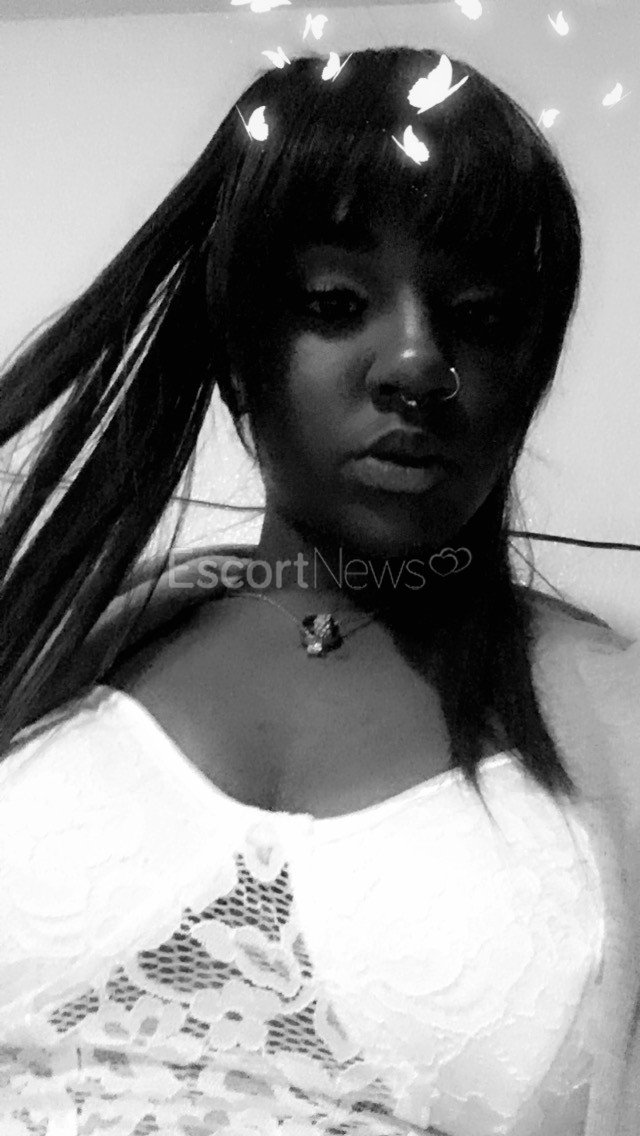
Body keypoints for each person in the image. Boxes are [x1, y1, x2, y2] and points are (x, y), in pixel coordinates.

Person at [0, 44, 638, 1136]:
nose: (416, 364)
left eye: (482, 317)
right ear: (237, 351)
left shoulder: (610, 734)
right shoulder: (60, 643)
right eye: (336, 302)